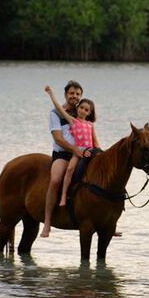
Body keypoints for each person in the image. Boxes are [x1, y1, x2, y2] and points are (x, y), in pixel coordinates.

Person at [41, 80, 87, 238]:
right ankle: (47, 222)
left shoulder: (82, 111)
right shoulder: (55, 113)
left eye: (77, 94)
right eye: (71, 93)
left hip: (81, 153)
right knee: (55, 181)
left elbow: (89, 133)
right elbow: (58, 139)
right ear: (66, 95)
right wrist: (75, 150)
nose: (74, 96)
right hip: (63, 154)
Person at [44, 85, 100, 208]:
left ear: (90, 112)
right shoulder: (72, 120)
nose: (83, 111)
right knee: (66, 172)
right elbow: (59, 108)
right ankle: (63, 197)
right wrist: (51, 94)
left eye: (86, 110)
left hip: (89, 152)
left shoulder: (90, 124)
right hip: (75, 152)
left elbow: (95, 142)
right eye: (81, 108)